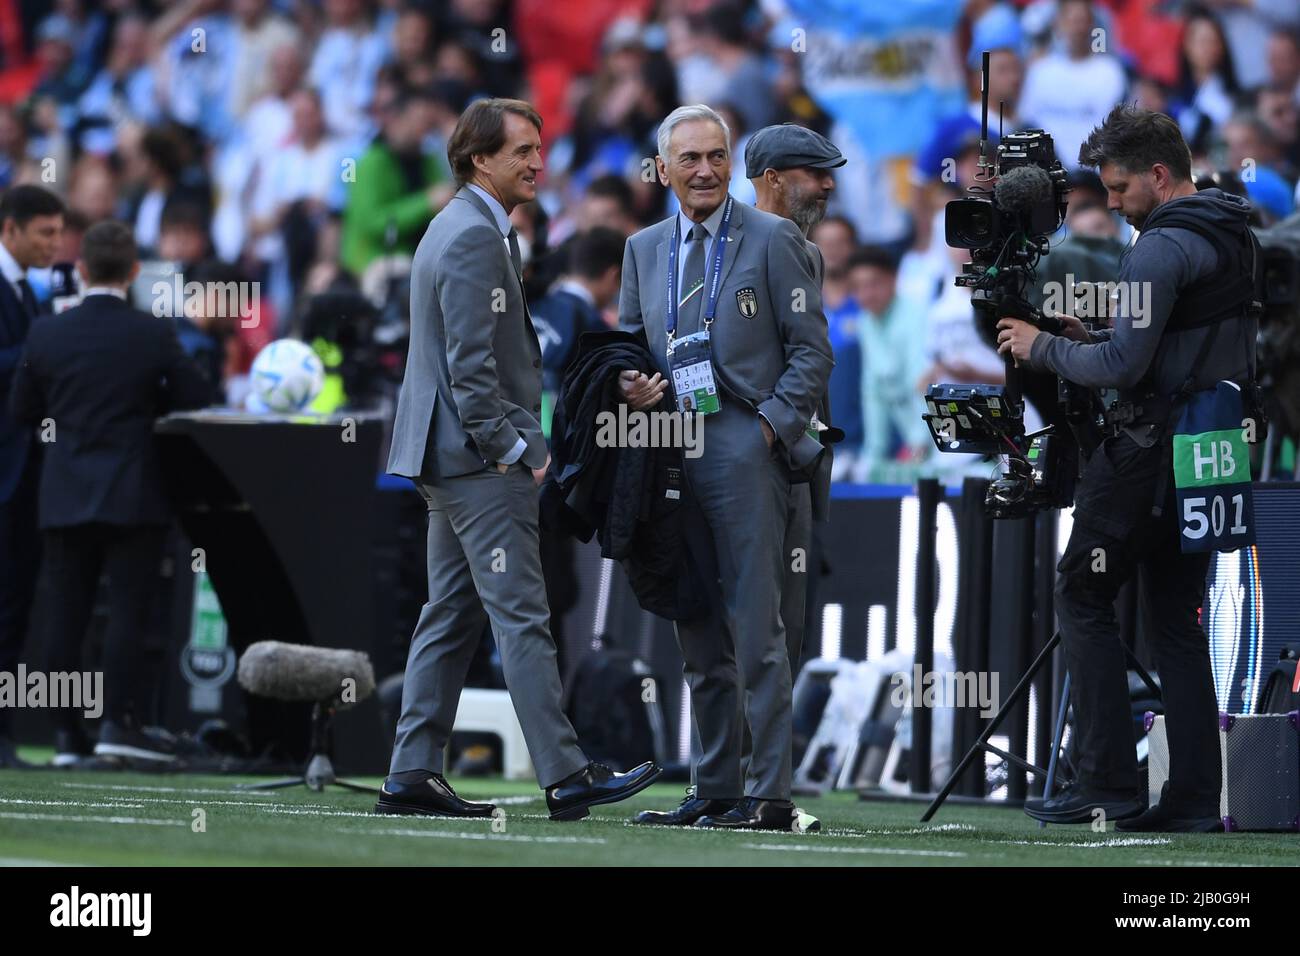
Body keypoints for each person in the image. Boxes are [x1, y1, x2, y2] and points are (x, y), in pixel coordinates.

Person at [380, 98, 660, 822]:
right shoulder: (474, 236)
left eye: (539, 148)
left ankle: (411, 770)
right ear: (481, 160)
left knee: (450, 614)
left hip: (448, 453)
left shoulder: (462, 226)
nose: (539, 161)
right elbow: (472, 370)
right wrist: (515, 448)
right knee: (524, 616)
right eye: (524, 150)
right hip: (478, 460)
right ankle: (565, 773)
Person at [996, 105, 1259, 833]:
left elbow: (1123, 368)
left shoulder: (1157, 249)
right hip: (1211, 449)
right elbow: (1169, 341)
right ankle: (1196, 800)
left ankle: (1106, 784)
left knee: (1081, 593)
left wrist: (1043, 347)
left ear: (1159, 174)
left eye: (1118, 189)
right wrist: (1099, 333)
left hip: (1147, 451)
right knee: (1175, 622)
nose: (1110, 204)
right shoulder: (1231, 229)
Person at [619, 105, 832, 831]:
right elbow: (626, 345)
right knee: (698, 628)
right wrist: (629, 385)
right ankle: (713, 787)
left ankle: (767, 793)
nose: (705, 170)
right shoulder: (643, 249)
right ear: (663, 170)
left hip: (744, 446)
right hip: (672, 448)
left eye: (716, 156)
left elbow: (812, 352)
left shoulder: (775, 239)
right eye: (690, 160)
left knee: (757, 629)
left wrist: (769, 429)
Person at [9, 220, 211, 765]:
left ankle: (65, 737)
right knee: (126, 612)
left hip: (65, 492)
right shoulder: (150, 333)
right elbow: (197, 394)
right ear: (135, 271)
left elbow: (22, 411)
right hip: (132, 493)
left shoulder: (48, 333)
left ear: (80, 269)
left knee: (65, 617)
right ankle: (117, 725)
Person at [0, 184, 63, 768]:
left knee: (14, 603)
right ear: (11, 229)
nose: (53, 244)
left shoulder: (35, 294)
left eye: (57, 232)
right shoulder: (27, 302)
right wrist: (46, 344)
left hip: (27, 477)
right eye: (43, 232)